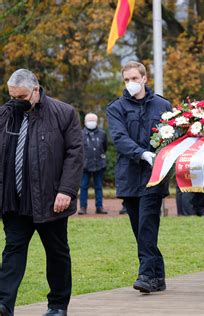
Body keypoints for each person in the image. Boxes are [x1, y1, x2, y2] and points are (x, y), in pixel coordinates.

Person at [0, 69, 83, 316]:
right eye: (12, 96)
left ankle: (57, 305)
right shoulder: (4, 115)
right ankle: (4, 304)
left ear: (36, 90)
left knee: (57, 252)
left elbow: (75, 154)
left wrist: (66, 190)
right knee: (13, 249)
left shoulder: (64, 113)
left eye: (22, 97)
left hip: (51, 200)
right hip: (14, 200)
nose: (16, 102)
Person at [107, 61, 171, 293]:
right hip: (130, 175)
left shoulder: (163, 105)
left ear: (145, 78)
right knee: (140, 228)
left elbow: (172, 136)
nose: (131, 83)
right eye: (126, 80)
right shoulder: (116, 108)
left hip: (154, 176)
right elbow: (119, 138)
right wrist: (142, 154)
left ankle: (146, 275)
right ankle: (158, 275)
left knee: (147, 225)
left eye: (135, 78)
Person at [79, 113, 108, 215]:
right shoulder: (80, 134)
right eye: (89, 120)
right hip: (84, 165)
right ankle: (83, 207)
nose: (91, 122)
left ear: (96, 122)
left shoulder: (102, 133)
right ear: (85, 122)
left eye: (93, 120)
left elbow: (105, 147)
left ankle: (99, 207)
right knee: (83, 187)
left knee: (99, 187)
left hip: (99, 164)